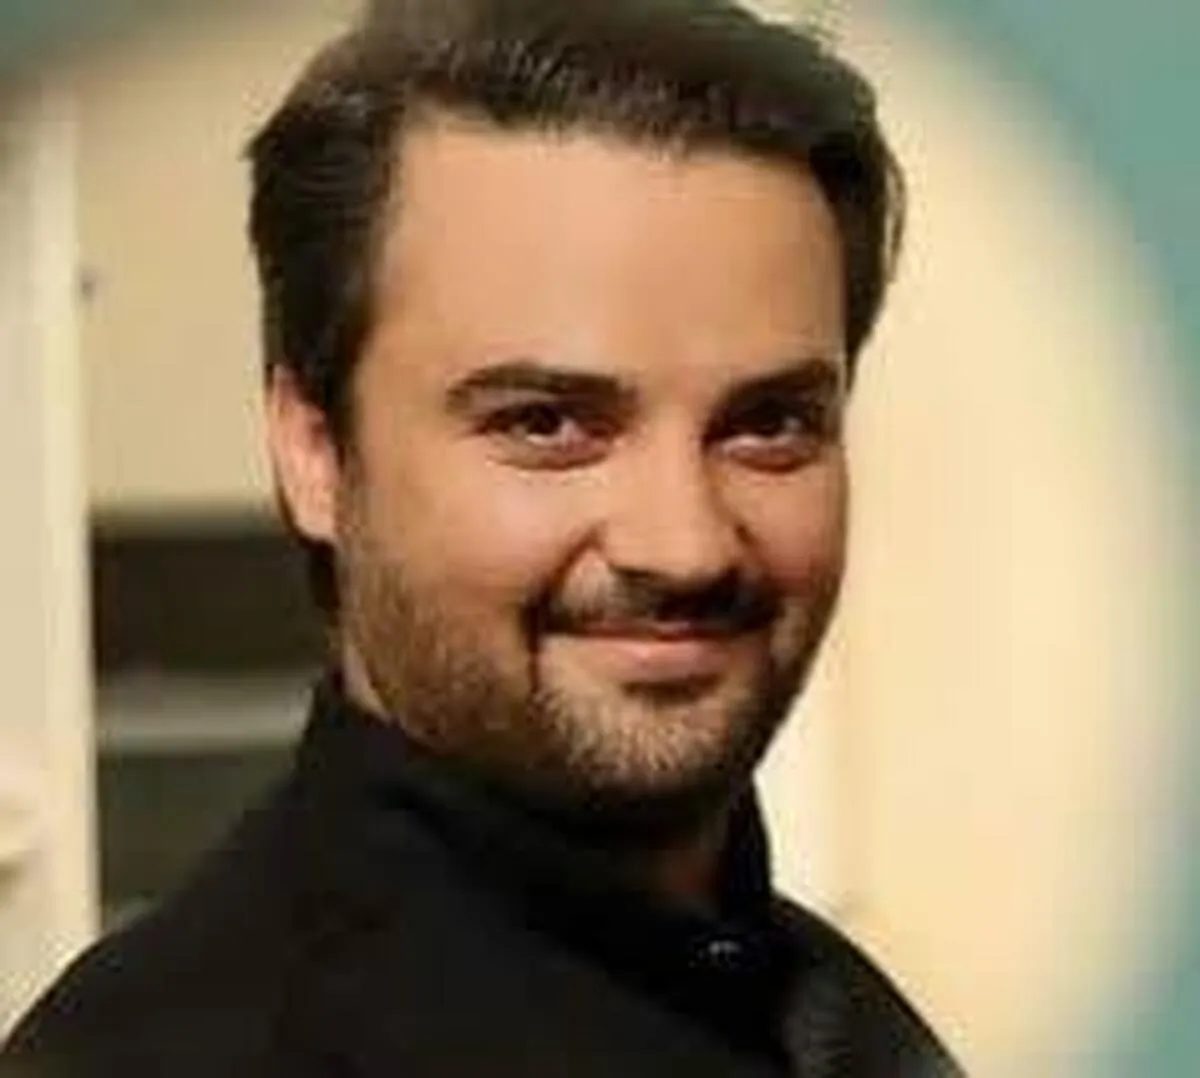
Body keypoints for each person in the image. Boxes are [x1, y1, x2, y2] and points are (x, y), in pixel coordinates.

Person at [5, 0, 963, 1074]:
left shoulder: (838, 1018)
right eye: (546, 424)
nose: (686, 544)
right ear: (314, 450)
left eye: (769, 424)